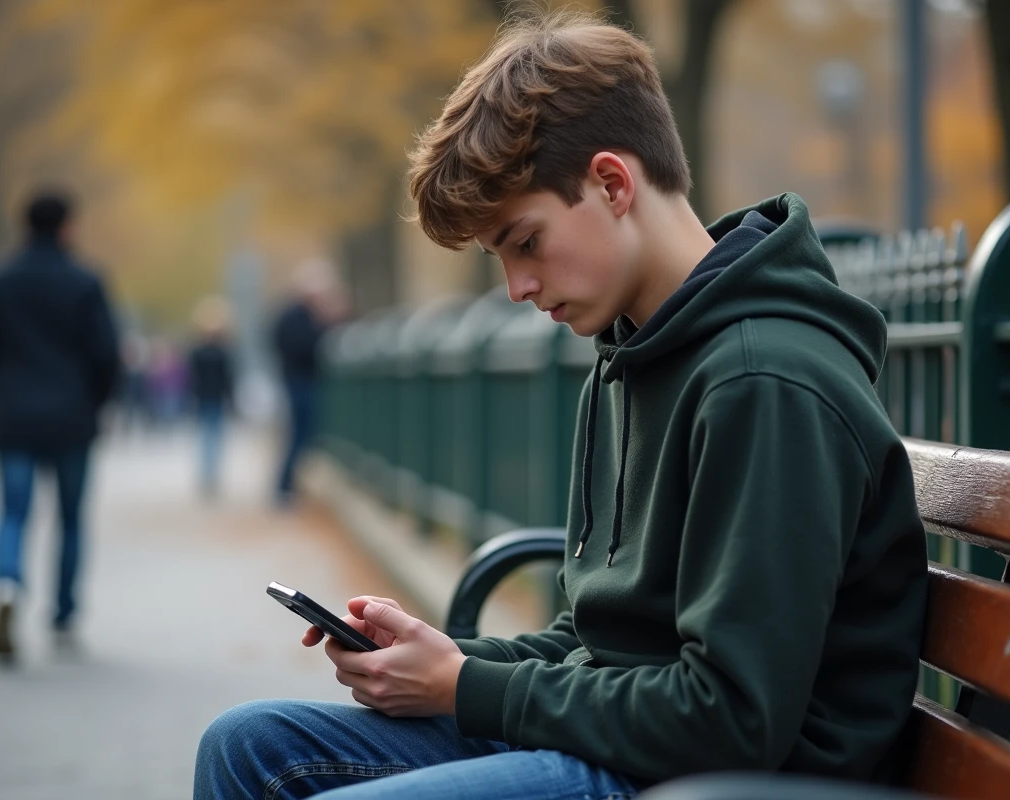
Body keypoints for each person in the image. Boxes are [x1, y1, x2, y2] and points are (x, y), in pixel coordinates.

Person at [194, 11, 928, 799]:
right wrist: (450, 661)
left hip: (724, 779)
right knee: (246, 747)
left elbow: (732, 718)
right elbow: (599, 646)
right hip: (635, 752)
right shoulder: (631, 358)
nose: (518, 288)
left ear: (613, 183)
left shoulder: (765, 382)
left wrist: (466, 689)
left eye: (526, 241)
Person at [0, 190, 120, 663]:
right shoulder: (85, 281)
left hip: (14, 415)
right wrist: (95, 402)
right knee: (70, 520)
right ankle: (64, 615)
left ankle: (7, 581)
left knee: (13, 512)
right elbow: (106, 355)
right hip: (72, 416)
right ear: (66, 227)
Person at [270, 268, 326, 505]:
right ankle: (284, 487)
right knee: (300, 435)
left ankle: (287, 486)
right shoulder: (296, 317)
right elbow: (304, 346)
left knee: (302, 435)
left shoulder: (295, 315)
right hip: (300, 381)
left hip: (299, 380)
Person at [187, 297, 235, 498]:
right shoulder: (223, 352)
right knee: (214, 438)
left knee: (206, 438)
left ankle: (207, 475)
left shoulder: (197, 352)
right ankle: (211, 475)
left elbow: (192, 378)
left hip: (203, 398)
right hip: (215, 398)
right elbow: (228, 379)